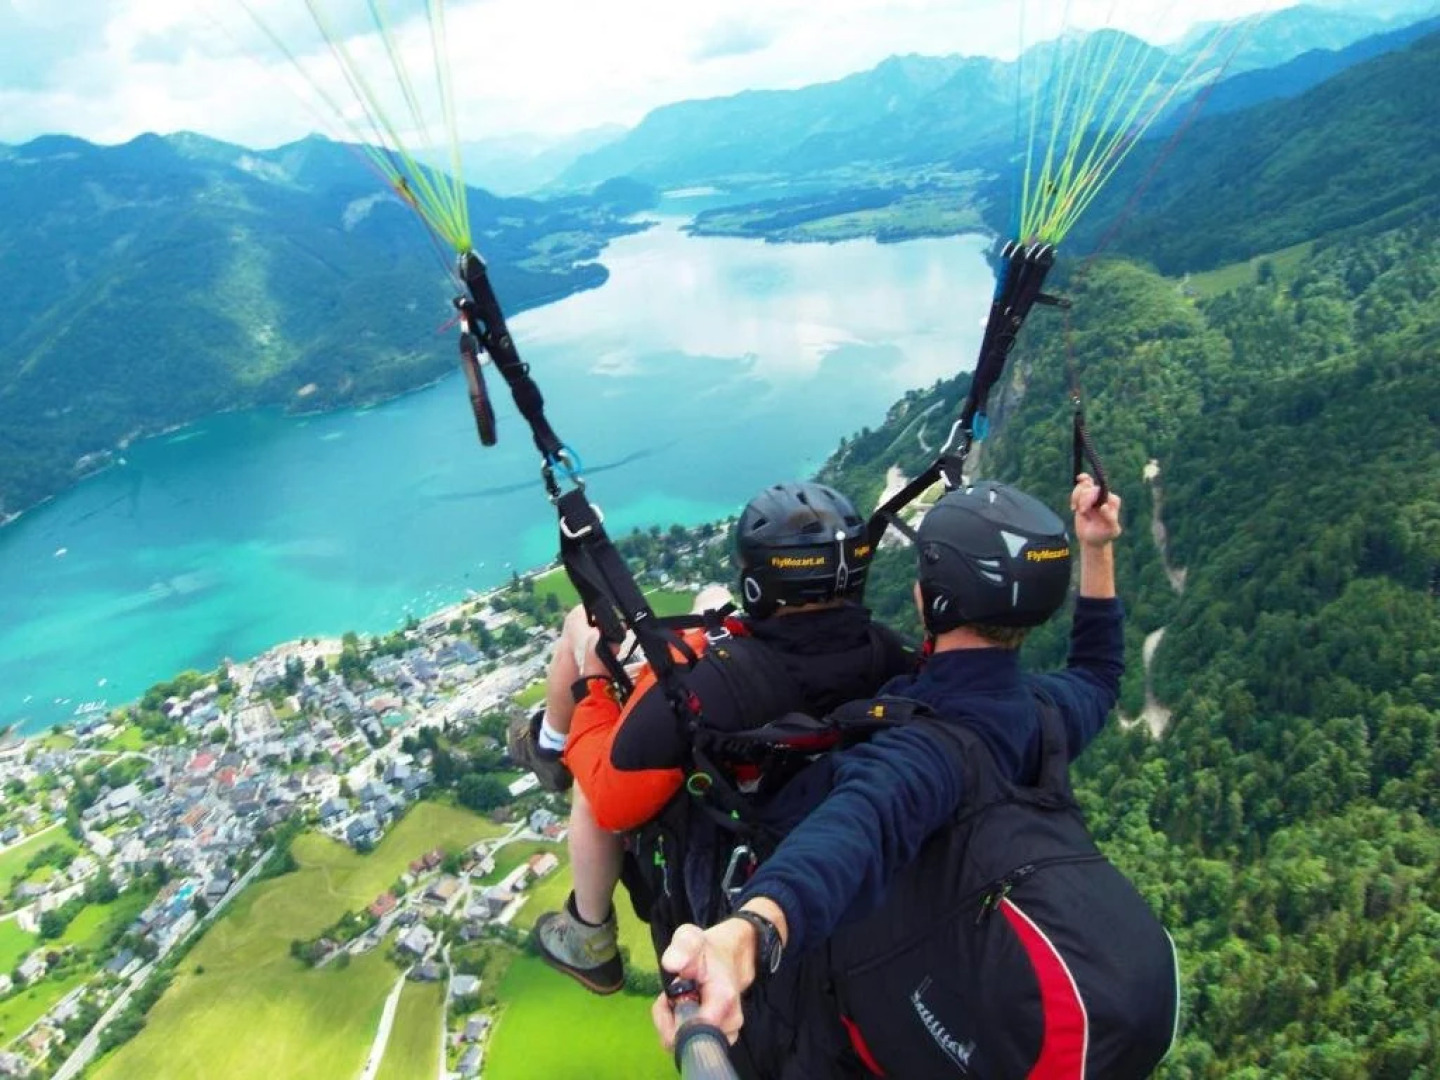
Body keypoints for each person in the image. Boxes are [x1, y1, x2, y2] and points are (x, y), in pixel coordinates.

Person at [653, 474, 1173, 1078]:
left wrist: (745, 937)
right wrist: (1097, 546)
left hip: (837, 985)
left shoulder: (924, 749)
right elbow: (1100, 672)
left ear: (933, 601)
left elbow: (854, 830)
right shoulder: (1046, 714)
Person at [507, 481, 915, 995]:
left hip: (725, 805)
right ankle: (548, 740)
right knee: (707, 600)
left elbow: (614, 801)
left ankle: (588, 932)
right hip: (802, 769)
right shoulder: (893, 655)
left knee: (581, 631)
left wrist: (596, 686)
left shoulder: (705, 682)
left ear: (758, 586)